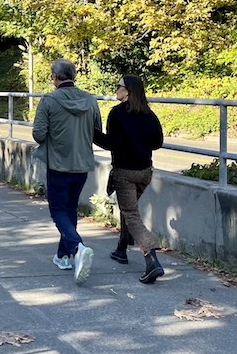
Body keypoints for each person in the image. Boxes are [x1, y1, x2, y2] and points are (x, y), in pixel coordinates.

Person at [32, 59, 103, 285]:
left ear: (55, 77)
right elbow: (97, 131)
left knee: (57, 210)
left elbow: (38, 134)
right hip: (82, 165)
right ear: (74, 75)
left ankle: (77, 247)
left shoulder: (49, 100)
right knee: (70, 209)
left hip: (59, 165)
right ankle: (63, 256)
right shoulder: (90, 100)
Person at [94, 74, 165, 284]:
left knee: (131, 214)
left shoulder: (117, 113)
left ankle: (151, 257)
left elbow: (111, 144)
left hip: (125, 172)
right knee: (129, 209)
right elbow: (157, 142)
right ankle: (121, 249)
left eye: (119, 86)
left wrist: (91, 132)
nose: (116, 89)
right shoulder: (149, 114)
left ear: (128, 91)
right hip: (145, 172)